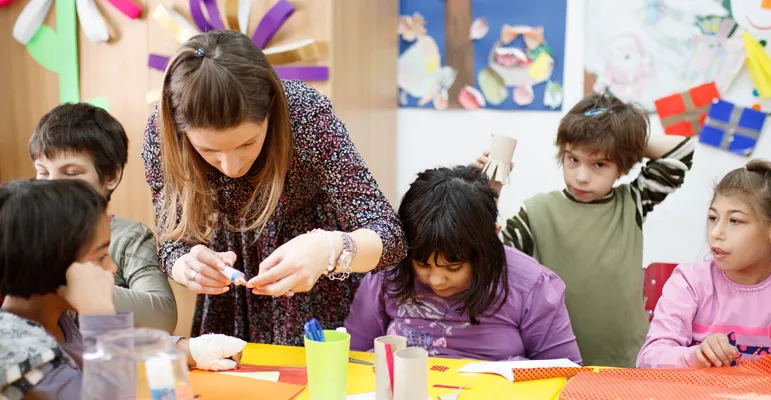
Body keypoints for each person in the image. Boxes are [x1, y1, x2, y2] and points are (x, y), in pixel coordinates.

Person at [143, 30, 406, 345]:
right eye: (208, 151)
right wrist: (184, 265)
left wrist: (328, 249)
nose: (231, 167)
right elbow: (171, 242)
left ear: (271, 109)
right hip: (233, 288)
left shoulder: (305, 115)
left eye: (247, 143)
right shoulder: (163, 132)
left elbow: (390, 236)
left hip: (318, 271)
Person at [475, 93, 695, 367]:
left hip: (626, 361)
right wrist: (488, 190)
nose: (581, 176)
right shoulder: (536, 212)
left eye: (599, 164)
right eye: (573, 159)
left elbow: (683, 151)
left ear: (622, 166)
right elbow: (488, 257)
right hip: (555, 359)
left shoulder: (632, 202)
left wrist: (623, 138)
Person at [0, 179, 245, 400]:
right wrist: (99, 315)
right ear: (50, 266)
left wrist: (191, 350)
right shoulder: (14, 348)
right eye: (101, 257)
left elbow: (127, 347)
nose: (112, 267)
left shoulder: (63, 316)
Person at [637, 160, 771, 398]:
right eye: (713, 218)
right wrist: (695, 357)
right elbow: (648, 360)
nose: (716, 233)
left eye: (735, 221)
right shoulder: (689, 282)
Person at [345, 166, 581, 362]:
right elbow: (354, 357)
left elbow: (564, 374)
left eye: (453, 267)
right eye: (422, 264)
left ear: (490, 242)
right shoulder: (388, 271)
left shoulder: (533, 285)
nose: (436, 280)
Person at [29, 103, 177, 332]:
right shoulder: (26, 234)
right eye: (43, 172)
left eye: (71, 173)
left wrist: (75, 285)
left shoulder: (129, 237)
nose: (52, 186)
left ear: (111, 176)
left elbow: (163, 317)